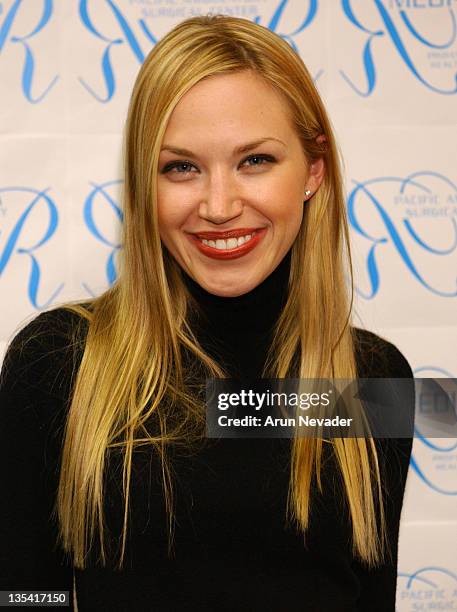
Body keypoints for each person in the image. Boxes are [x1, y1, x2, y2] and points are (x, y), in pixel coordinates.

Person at [0, 14, 414, 612]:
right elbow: (21, 591)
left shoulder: (376, 378)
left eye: (255, 161)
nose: (219, 206)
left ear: (313, 171)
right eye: (182, 167)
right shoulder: (58, 360)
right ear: (147, 184)